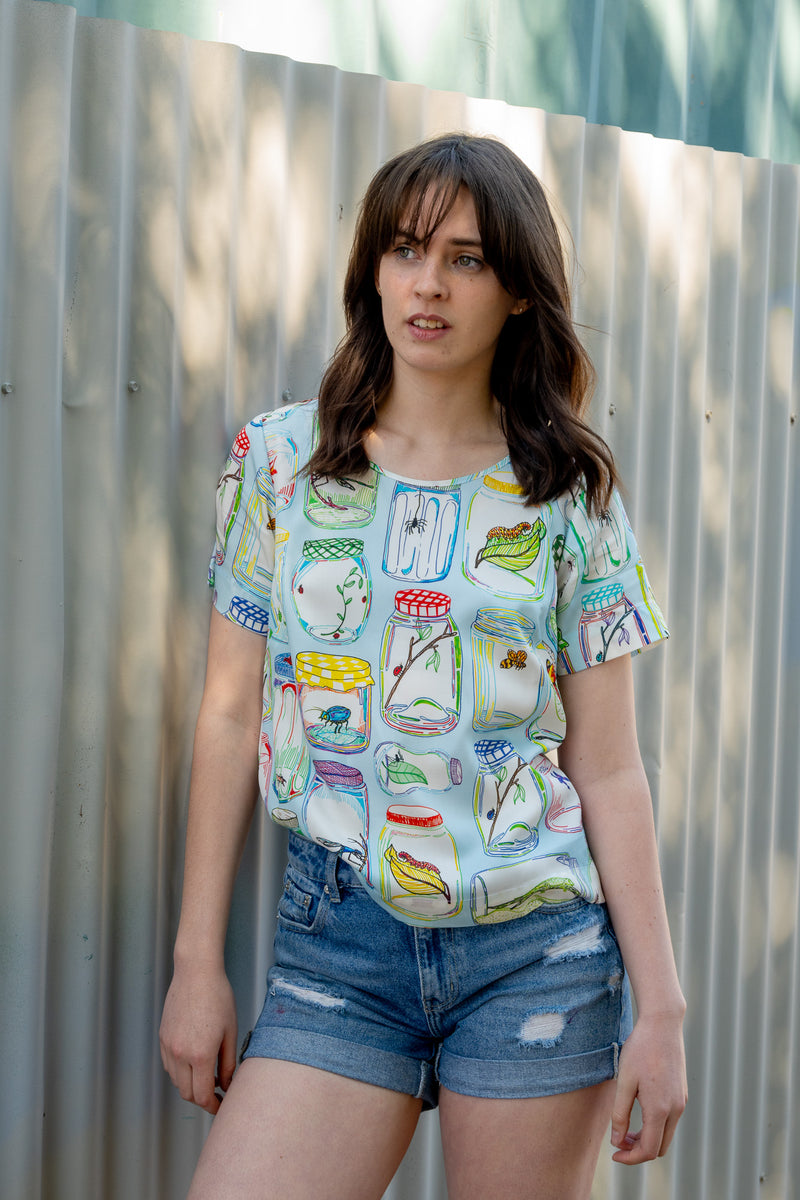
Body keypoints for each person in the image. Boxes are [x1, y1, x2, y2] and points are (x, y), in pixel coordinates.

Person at [160, 132, 687, 1200]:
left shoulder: (567, 499)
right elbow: (226, 716)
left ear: (519, 295)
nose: (427, 284)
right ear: (372, 270)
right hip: (339, 945)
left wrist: (661, 1008)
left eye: (466, 258)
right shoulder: (281, 466)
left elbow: (610, 768)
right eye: (404, 250)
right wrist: (194, 964)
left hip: (535, 951)